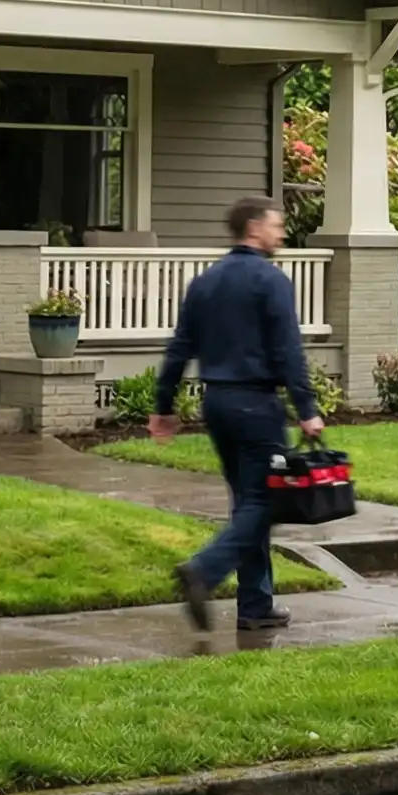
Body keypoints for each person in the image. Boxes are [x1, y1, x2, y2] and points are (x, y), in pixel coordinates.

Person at [155, 194, 325, 632]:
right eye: (276, 224)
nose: (282, 232)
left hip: (218, 404)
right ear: (254, 227)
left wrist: (163, 406)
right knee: (266, 501)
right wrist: (306, 408)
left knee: (247, 503)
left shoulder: (205, 282)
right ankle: (204, 571)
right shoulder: (269, 281)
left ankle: (255, 606)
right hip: (256, 405)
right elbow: (289, 350)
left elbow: (179, 349)